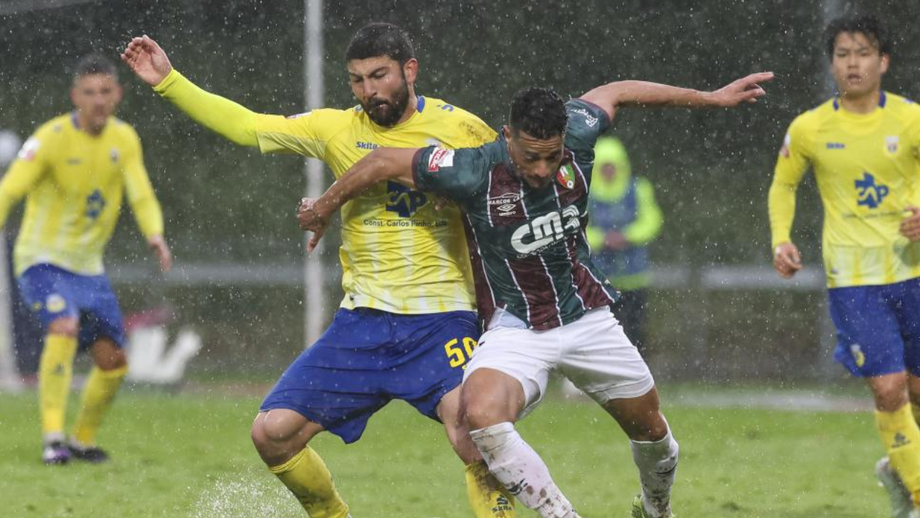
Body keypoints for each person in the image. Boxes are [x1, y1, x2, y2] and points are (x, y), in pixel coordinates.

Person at [299, 72, 772, 518]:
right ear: (508, 137)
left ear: (565, 137)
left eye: (552, 156)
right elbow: (382, 161)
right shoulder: (472, 169)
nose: (543, 169)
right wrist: (323, 207)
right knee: (479, 415)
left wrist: (710, 98)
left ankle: (655, 508)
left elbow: (617, 90)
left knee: (653, 434)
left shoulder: (580, 135)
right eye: (531, 157)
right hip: (517, 327)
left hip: (587, 317)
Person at [121, 24, 515, 518]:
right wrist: (169, 81)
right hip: (363, 322)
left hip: (442, 319)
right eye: (358, 80)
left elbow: (514, 187)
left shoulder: (463, 129)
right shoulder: (337, 128)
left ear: (410, 70)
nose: (370, 91)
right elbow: (249, 127)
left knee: (475, 431)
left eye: (380, 75)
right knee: (272, 433)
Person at [769, 14, 920, 518]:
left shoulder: (910, 119)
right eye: (843, 54)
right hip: (854, 281)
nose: (853, 63)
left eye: (863, 53)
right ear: (832, 64)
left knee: (916, 391)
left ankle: (898, 470)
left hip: (913, 272)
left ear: (884, 61)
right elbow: (784, 184)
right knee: (889, 387)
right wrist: (781, 239)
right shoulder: (810, 128)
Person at [0, 54, 173, 465]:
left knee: (114, 362)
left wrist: (155, 233)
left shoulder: (124, 139)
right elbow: (10, 189)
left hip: (89, 269)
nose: (98, 100)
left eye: (105, 92)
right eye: (90, 92)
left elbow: (141, 193)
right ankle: (53, 439)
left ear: (118, 95)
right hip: (41, 260)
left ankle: (82, 440)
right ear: (75, 96)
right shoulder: (50, 138)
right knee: (63, 326)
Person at [586, 136, 663, 353]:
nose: (609, 171)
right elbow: (577, 230)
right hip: (599, 281)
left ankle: (640, 370)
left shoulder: (638, 188)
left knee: (635, 333)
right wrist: (602, 239)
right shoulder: (586, 192)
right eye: (604, 167)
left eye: (612, 166)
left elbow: (652, 221)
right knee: (601, 337)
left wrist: (627, 236)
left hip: (634, 277)